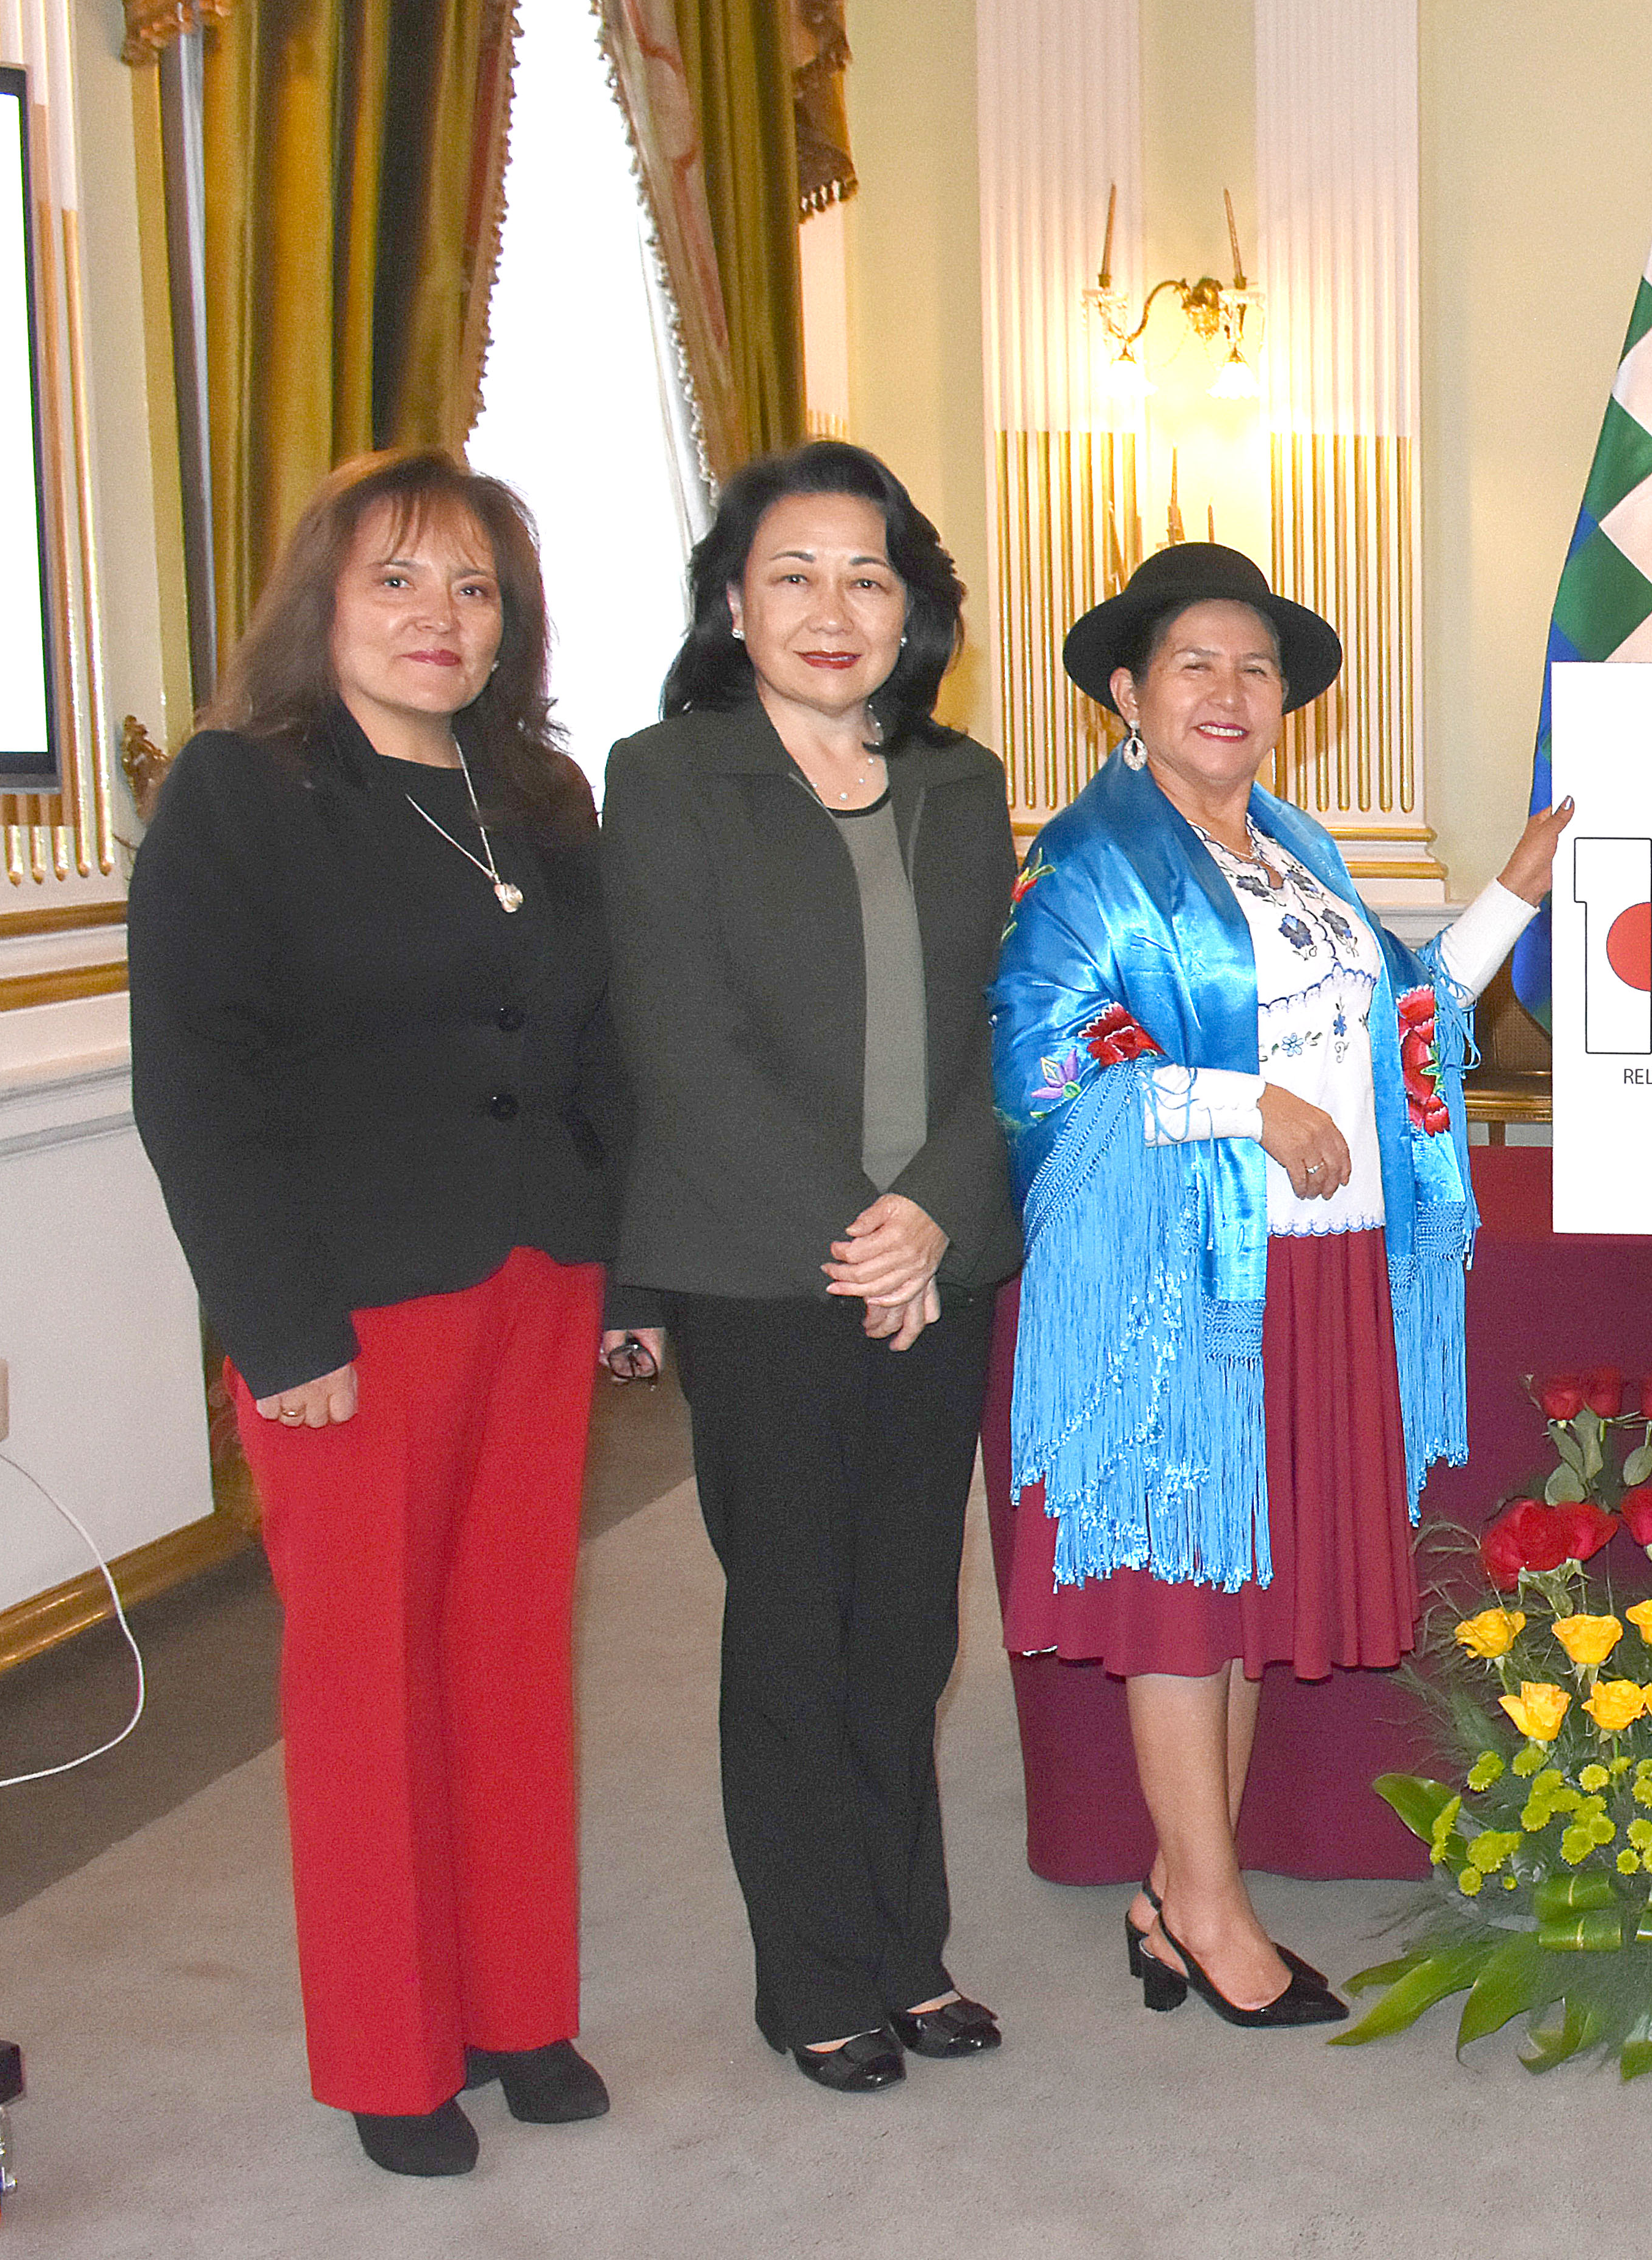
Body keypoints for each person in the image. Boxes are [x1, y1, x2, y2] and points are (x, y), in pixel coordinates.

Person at [127, 450, 642, 2176]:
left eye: (475, 588)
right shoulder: (243, 794)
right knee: (366, 1682)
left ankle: (515, 2010)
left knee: (509, 1655)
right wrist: (281, 1331)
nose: (440, 618)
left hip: (535, 1282)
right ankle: (391, 2051)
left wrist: (625, 1271)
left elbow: (598, 1061)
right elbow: (198, 1083)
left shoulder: (542, 799)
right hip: (348, 1310)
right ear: (323, 607)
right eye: (400, 582)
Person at [989, 543, 1566, 2024]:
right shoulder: (1089, 859)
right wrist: (1238, 1102)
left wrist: (1512, 889)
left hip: (1318, 1268)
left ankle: (1183, 1886)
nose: (1230, 690)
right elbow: (1043, 1058)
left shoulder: (1293, 849)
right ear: (1127, 689)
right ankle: (1205, 1899)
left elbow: (1409, 1006)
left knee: (1238, 1577)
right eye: (1196, 661)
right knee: (1186, 1578)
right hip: (1186, 1262)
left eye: (1255, 668)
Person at [600, 441, 1020, 2093]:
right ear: (733, 602)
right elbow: (683, 1046)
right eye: (794, 574)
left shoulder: (962, 780)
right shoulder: (666, 774)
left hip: (947, 1258)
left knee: (907, 1626)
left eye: (866, 576)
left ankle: (909, 1950)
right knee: (794, 1617)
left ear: (911, 606)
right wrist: (862, 1237)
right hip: (768, 1274)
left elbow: (1012, 1029)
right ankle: (815, 1975)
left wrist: (931, 1216)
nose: (831, 610)